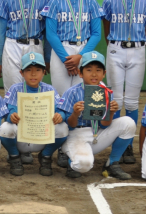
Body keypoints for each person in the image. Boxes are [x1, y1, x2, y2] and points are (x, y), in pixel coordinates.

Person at [41, 0, 104, 167]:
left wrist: (82, 57)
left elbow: (96, 33)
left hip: (83, 51)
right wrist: (65, 59)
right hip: (62, 51)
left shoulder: (92, 3)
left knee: (82, 99)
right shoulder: (55, 2)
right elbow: (50, 34)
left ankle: (77, 141)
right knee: (61, 99)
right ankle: (59, 145)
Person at [102, 0, 146, 164]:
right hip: (115, 47)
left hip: (138, 49)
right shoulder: (109, 0)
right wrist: (112, 44)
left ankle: (127, 145)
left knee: (132, 101)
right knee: (116, 100)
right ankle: (116, 141)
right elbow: (106, 25)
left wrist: (139, 44)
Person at [57, 51, 136, 179]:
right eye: (89, 70)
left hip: (97, 133)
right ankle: (70, 160)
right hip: (76, 136)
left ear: (104, 73)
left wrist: (110, 112)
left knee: (128, 123)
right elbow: (69, 127)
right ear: (80, 73)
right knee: (83, 165)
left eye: (98, 70)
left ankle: (112, 163)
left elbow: (104, 125)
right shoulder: (71, 92)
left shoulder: (105, 92)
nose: (94, 74)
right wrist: (75, 114)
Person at [0, 52, 68, 176]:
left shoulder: (50, 90)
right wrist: (11, 115)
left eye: (38, 69)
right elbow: (8, 111)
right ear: (21, 73)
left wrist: (60, 115)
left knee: (63, 127)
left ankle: (46, 156)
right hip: (21, 138)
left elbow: (61, 110)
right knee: (5, 128)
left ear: (44, 72)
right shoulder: (15, 89)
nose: (33, 73)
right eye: (28, 70)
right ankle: (14, 156)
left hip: (42, 136)